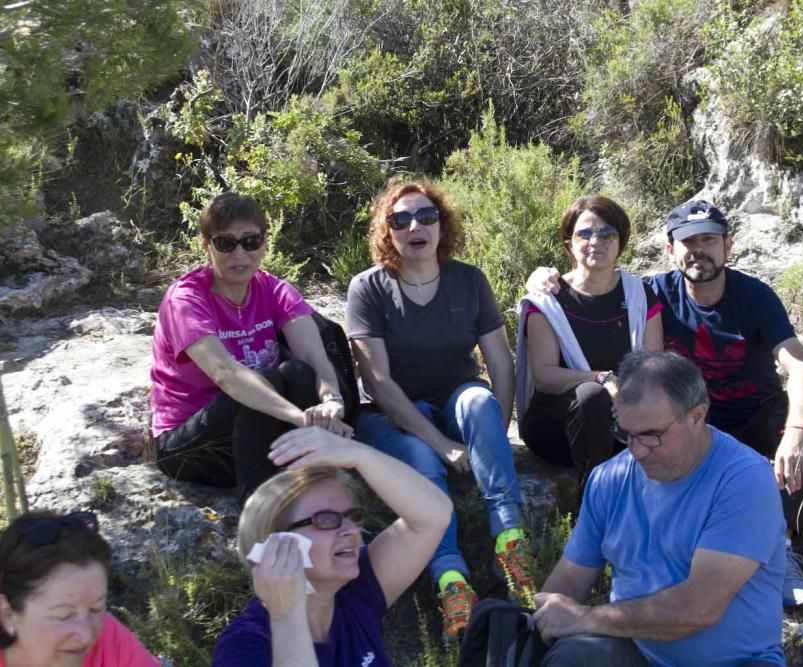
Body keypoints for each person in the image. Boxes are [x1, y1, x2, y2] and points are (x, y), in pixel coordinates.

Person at [527, 199, 803, 608]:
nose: (698, 249)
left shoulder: (754, 296)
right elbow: (593, 283)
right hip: (688, 424)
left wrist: (797, 432)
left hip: (750, 419)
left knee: (792, 417)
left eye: (708, 239)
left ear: (727, 245)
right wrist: (543, 277)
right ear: (671, 250)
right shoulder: (654, 292)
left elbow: (801, 366)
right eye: (687, 241)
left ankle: (783, 550)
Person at [346, 178, 532, 641]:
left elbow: (500, 363)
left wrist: (494, 431)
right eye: (401, 219)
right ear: (386, 232)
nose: (415, 226)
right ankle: (452, 583)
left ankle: (511, 543)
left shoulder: (468, 280)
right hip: (394, 415)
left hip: (456, 401)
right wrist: (444, 445)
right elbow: (378, 382)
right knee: (423, 461)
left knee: (478, 399)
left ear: (441, 225)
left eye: (427, 216)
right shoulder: (367, 289)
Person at [533, 351, 785, 667]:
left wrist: (585, 618)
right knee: (572, 657)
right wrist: (543, 620)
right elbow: (570, 580)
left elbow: (698, 608)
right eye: (626, 434)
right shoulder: (609, 478)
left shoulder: (744, 480)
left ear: (697, 416)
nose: (637, 451)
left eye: (652, 436)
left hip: (737, 661)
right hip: (639, 654)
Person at [150, 192, 353, 500]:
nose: (239, 254)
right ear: (207, 246)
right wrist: (302, 418)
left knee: (297, 372)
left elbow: (313, 355)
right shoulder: (187, 299)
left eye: (250, 241)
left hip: (257, 435)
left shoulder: (273, 290)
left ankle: (312, 493)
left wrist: (330, 400)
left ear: (264, 242)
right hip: (191, 446)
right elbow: (226, 375)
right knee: (264, 381)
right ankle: (258, 511)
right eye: (225, 243)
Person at [212, 426, 452, 666]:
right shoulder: (243, 645)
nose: (351, 530)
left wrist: (360, 455)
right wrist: (286, 615)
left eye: (353, 516)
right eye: (326, 520)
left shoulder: (355, 592)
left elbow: (434, 516)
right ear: (274, 544)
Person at [515, 195, 662, 498]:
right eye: (585, 233)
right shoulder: (547, 301)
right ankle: (594, 504)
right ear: (568, 243)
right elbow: (544, 376)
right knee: (592, 396)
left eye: (608, 234)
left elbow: (653, 367)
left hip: (624, 420)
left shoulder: (639, 294)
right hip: (556, 428)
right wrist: (602, 378)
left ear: (621, 242)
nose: (596, 241)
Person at [0, 510, 158, 667]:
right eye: (64, 615)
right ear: (7, 613)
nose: (86, 635)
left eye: (96, 609)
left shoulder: (109, 638)